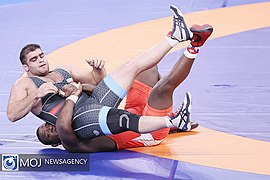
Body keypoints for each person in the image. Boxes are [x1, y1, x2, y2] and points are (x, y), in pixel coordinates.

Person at [35, 5, 213, 152]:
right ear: (55, 143)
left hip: (133, 110)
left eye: (46, 126)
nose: (50, 128)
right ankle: (195, 44)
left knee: (146, 68)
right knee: (161, 90)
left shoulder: (77, 116)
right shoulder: (73, 142)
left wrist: (79, 88)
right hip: (151, 132)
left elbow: (93, 92)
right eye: (48, 133)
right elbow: (63, 126)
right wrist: (72, 96)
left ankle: (171, 122)